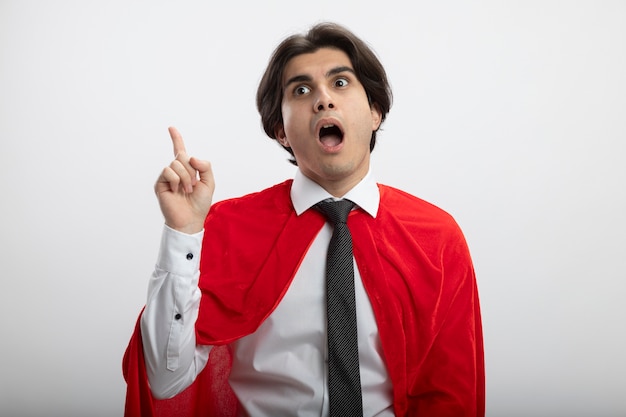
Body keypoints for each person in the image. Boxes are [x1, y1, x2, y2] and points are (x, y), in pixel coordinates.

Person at [123, 22, 485, 417]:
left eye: (341, 84)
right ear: (281, 130)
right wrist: (183, 232)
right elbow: (163, 378)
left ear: (375, 111)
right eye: (301, 90)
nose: (323, 100)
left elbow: (453, 392)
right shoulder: (227, 226)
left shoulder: (437, 237)